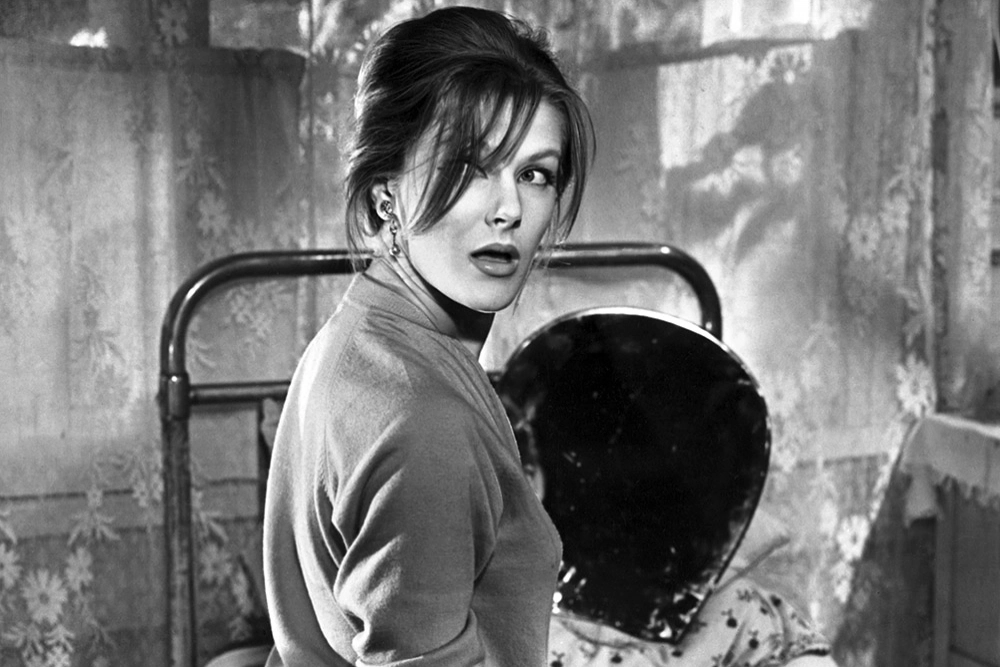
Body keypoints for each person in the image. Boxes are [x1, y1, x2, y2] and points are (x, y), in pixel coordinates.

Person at [262, 6, 594, 666]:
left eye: (535, 174)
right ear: (384, 197)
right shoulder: (422, 418)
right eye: (470, 167)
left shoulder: (357, 340)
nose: (509, 210)